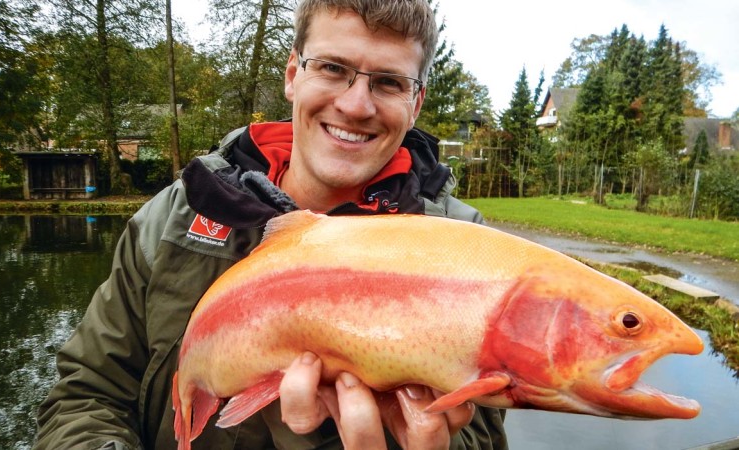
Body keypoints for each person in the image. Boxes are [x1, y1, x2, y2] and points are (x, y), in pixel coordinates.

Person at [34, 0, 508, 448]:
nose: (356, 104)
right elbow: (86, 393)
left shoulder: (466, 249)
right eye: (333, 68)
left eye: (388, 82)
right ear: (292, 76)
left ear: (416, 101)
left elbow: (481, 433)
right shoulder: (174, 216)